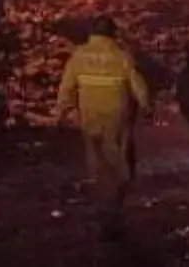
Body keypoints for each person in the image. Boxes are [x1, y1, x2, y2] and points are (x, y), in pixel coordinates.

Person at [58, 16, 151, 241]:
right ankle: (111, 215)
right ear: (113, 34)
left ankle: (106, 212)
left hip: (89, 121)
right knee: (120, 166)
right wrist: (147, 107)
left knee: (99, 168)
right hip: (117, 120)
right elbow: (139, 87)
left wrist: (64, 112)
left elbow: (66, 88)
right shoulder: (120, 56)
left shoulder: (78, 56)